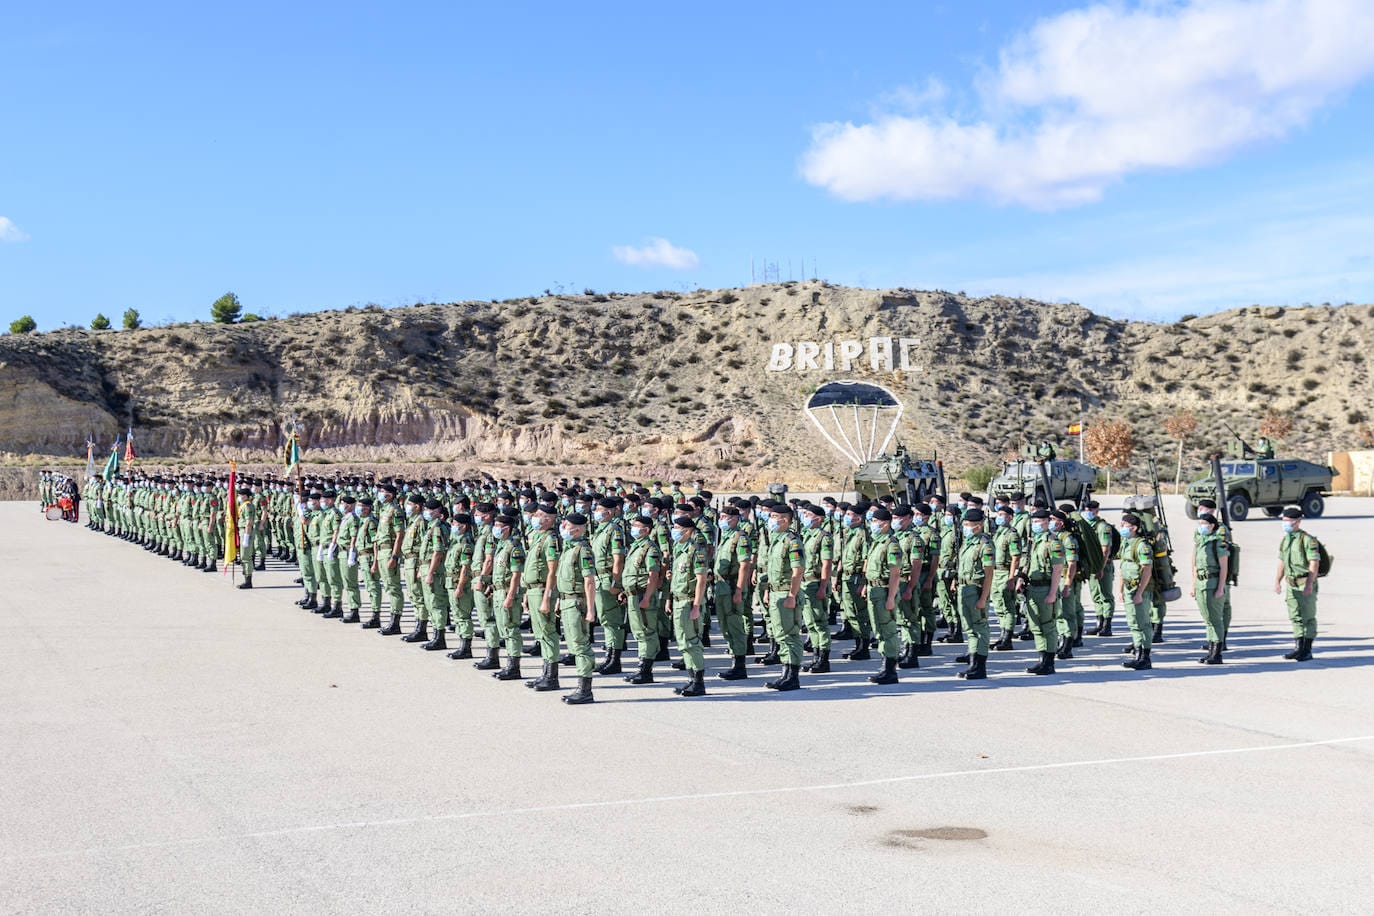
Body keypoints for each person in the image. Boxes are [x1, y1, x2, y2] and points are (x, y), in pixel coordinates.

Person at [554, 513, 599, 705]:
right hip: (566, 600)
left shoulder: (583, 550)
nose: (563, 528)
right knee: (574, 644)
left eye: (567, 525)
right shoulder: (569, 548)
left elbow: (589, 581)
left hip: (577, 602)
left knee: (581, 645)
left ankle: (585, 689)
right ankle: (580, 686)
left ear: (578, 529)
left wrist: (590, 609)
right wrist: (559, 599)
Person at [1274, 506, 1320, 662]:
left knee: (1308, 616)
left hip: (1304, 582)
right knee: (1295, 616)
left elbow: (1314, 563)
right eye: (1284, 520)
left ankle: (1307, 650)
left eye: (1288, 521)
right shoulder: (1285, 539)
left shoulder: (1308, 540)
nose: (1284, 523)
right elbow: (1281, 562)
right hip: (1291, 583)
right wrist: (1277, 580)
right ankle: (1298, 647)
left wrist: (1309, 584)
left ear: (1297, 522)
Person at [1117, 513, 1155, 671]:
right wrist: (1120, 589)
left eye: (1124, 525)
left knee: (1143, 623)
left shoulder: (1141, 545)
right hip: (1128, 588)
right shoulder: (1126, 542)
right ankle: (1137, 654)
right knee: (1133, 623)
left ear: (1134, 528)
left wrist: (1140, 592)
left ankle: (1145, 657)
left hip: (1138, 589)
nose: (1121, 528)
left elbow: (1147, 570)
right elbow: (1123, 567)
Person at [1191, 513, 1230, 664]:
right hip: (1201, 583)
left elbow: (1224, 568)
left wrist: (1221, 588)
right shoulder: (1200, 541)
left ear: (1212, 526)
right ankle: (1211, 651)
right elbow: (1196, 565)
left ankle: (1217, 653)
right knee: (1208, 619)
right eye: (1199, 523)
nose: (1201, 526)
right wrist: (1194, 585)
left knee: (1215, 619)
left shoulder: (1218, 542)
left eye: (1204, 523)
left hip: (1213, 584)